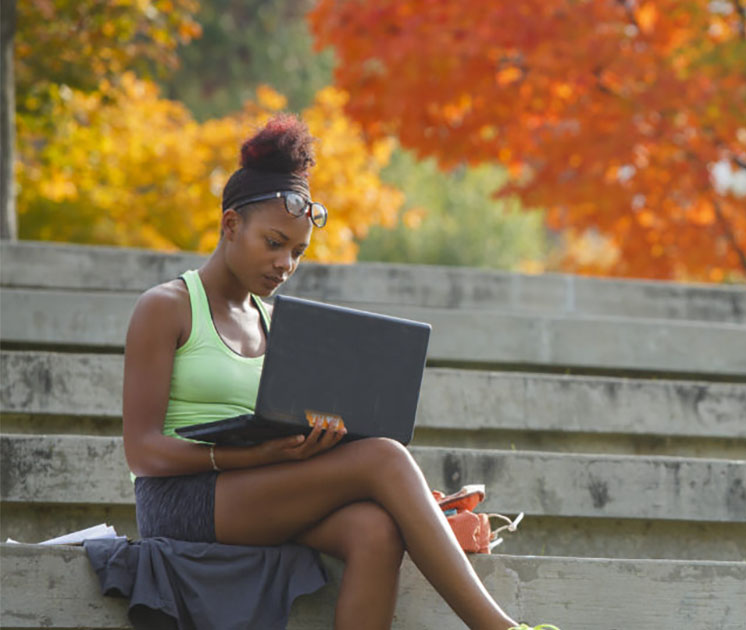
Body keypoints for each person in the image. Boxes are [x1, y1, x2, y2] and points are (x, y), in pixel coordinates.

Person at [121, 114, 537, 630]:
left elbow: (277, 429)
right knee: (384, 458)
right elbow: (141, 451)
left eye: (296, 252)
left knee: (375, 530)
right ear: (231, 225)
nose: (285, 264)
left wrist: (315, 441)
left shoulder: (279, 325)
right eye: (273, 243)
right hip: (183, 501)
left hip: (260, 486)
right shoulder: (167, 306)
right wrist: (250, 455)